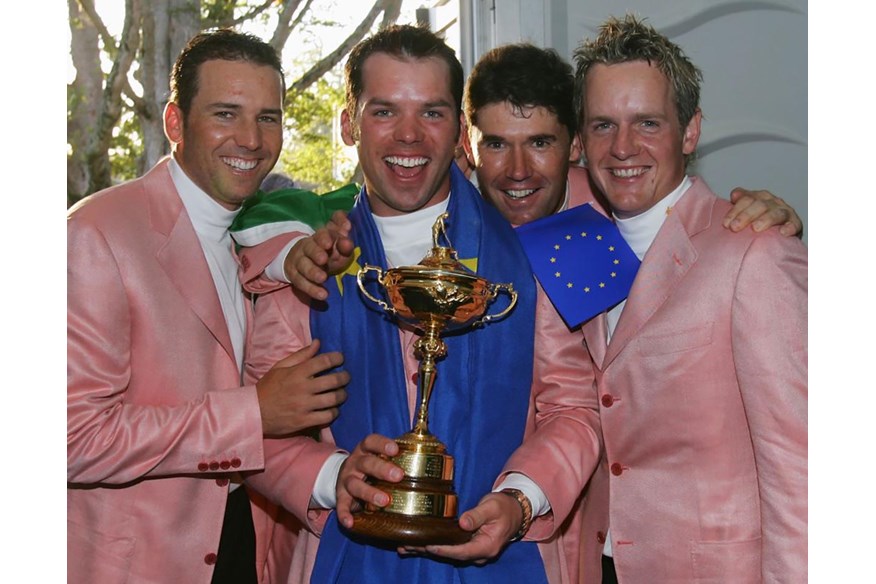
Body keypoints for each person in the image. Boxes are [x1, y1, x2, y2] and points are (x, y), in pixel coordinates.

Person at [243, 24, 603, 583]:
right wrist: (332, 476)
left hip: (507, 558)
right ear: (348, 124)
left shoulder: (531, 249)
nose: (409, 136)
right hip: (345, 558)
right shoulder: (309, 261)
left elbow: (576, 409)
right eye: (384, 111)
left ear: (459, 131)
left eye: (431, 113)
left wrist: (520, 500)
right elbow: (257, 421)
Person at [67, 29, 351, 584]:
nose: (250, 139)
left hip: (240, 547)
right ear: (175, 123)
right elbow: (72, 437)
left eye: (268, 118)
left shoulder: (241, 237)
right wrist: (254, 413)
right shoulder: (95, 234)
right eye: (226, 113)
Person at [234, 45, 801, 301]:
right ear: (466, 143)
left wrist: (773, 219)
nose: (518, 171)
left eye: (541, 144)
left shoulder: (606, 204)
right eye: (498, 145)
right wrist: (293, 253)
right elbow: (259, 226)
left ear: (574, 146)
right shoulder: (436, 213)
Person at [569, 15, 806, 583]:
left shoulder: (754, 252)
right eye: (603, 125)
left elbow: (801, 465)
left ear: (691, 131)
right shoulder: (574, 244)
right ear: (580, 139)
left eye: (647, 122)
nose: (623, 147)